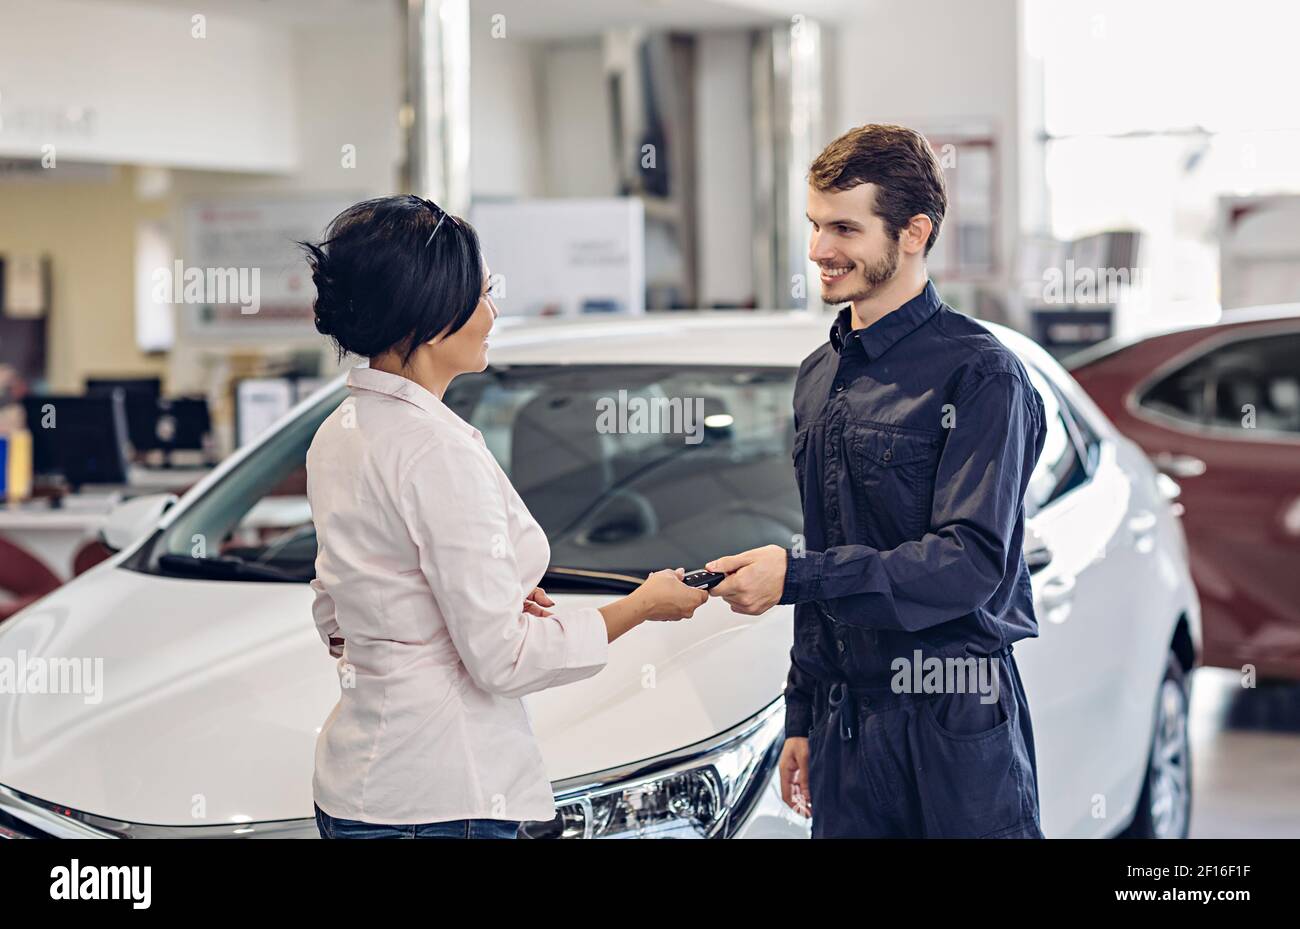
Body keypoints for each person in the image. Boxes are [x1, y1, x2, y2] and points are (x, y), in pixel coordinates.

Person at [300, 195, 707, 840]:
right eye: (484, 295)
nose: (493, 313)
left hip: (358, 787)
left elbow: (335, 608)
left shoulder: (340, 430)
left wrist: (432, 618)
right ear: (434, 318)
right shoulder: (434, 449)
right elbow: (502, 662)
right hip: (441, 797)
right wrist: (641, 604)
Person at [706, 125, 1048, 838]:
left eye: (843, 228)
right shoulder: (816, 378)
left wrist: (798, 576)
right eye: (813, 224)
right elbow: (822, 536)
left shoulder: (981, 374)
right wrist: (803, 710)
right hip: (846, 724)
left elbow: (969, 563)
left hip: (952, 722)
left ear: (914, 232)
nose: (818, 250)